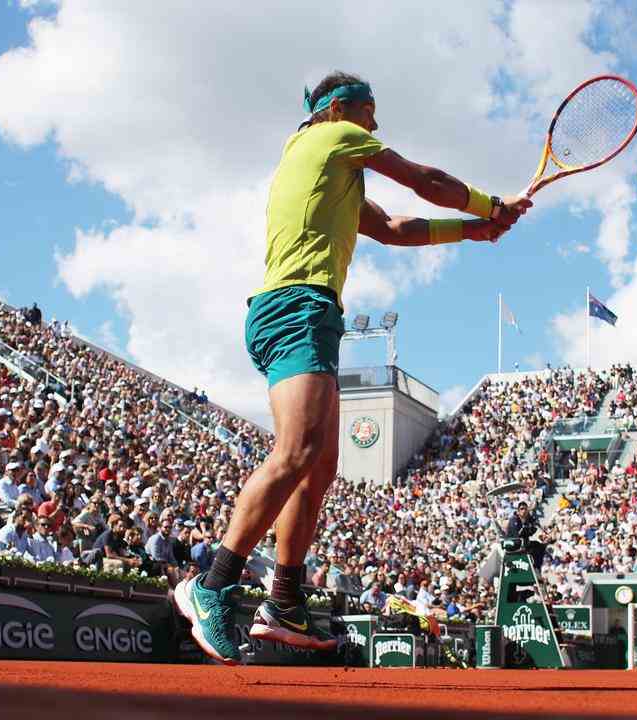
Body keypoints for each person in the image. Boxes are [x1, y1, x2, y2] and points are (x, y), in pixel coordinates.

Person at [172, 71, 529, 665]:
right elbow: (425, 180)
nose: (375, 126)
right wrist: (491, 205)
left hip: (302, 311)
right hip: (297, 306)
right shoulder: (334, 136)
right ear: (338, 108)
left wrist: (475, 233)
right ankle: (212, 583)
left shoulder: (322, 165)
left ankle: (284, 603)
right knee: (298, 449)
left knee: (319, 463)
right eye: (370, 112)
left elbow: (393, 229)